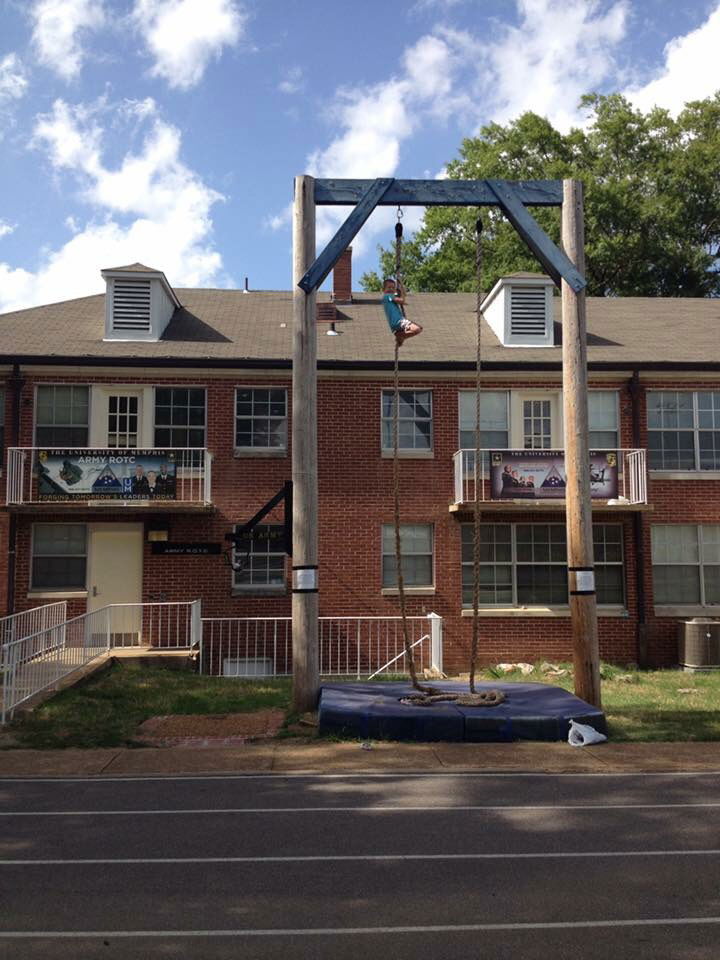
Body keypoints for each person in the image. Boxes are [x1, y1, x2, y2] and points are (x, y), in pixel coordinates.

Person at [382, 278, 422, 347]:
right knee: (417, 329)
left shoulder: (387, 298)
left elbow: (399, 300)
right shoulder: (388, 296)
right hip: (399, 321)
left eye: (393, 287)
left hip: (394, 324)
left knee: (417, 329)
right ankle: (400, 336)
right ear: (383, 289)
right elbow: (402, 300)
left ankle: (400, 336)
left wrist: (399, 292)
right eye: (389, 287)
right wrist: (402, 290)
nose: (391, 289)